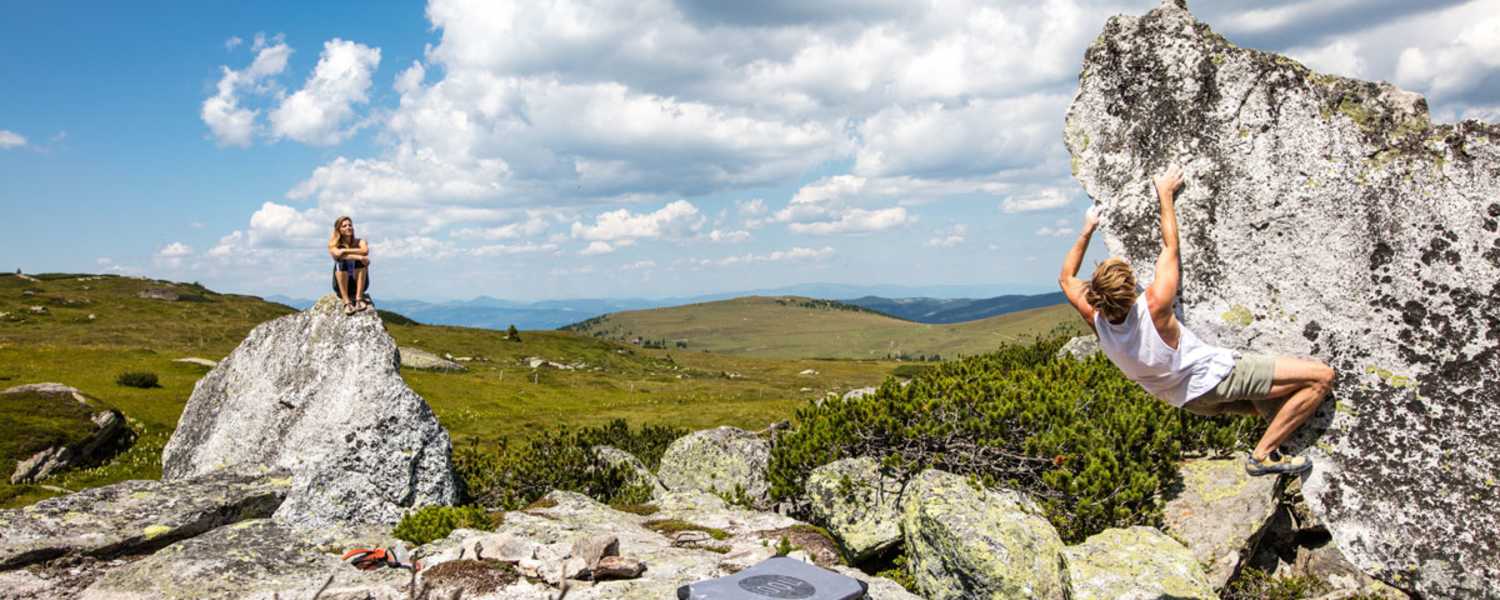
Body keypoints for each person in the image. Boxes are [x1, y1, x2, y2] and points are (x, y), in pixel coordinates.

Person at [1057, 165, 1334, 476]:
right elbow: (1170, 247)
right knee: (1321, 377)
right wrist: (1165, 194)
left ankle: (1279, 437)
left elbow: (1066, 278)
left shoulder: (1098, 322)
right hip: (1215, 378)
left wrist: (1087, 228)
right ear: (1129, 288)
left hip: (1189, 401)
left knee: (1270, 402)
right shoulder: (1155, 307)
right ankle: (1263, 455)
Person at [328, 216, 371, 315]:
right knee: (341, 262)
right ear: (339, 229)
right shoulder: (333, 243)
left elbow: (365, 250)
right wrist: (359, 257)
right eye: (344, 226)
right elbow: (337, 254)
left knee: (361, 262)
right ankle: (346, 302)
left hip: (360, 283)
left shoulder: (360, 241)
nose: (348, 227)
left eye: (350, 225)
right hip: (341, 286)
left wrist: (345, 251)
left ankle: (359, 299)